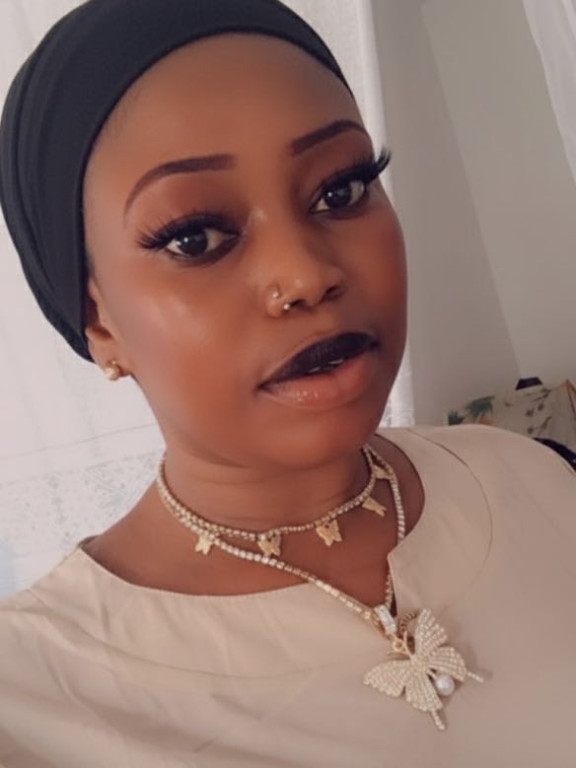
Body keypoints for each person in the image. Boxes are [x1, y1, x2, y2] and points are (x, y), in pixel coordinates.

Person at [0, 1, 574, 765]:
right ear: (94, 318)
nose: (306, 275)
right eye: (195, 238)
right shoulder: (32, 702)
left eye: (341, 190)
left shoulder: (535, 480)